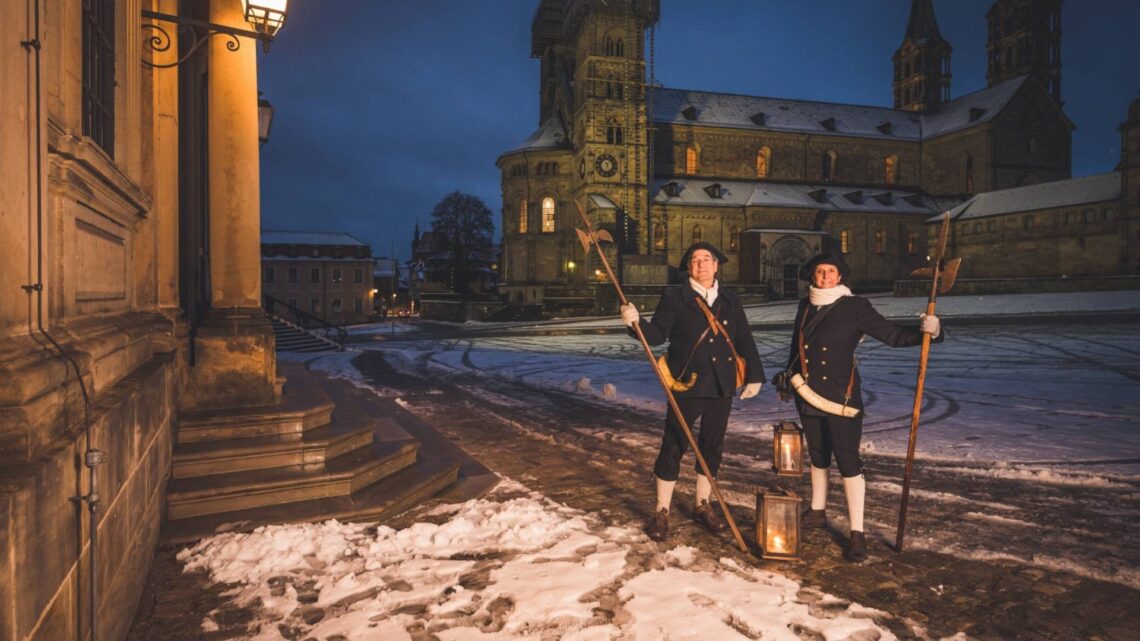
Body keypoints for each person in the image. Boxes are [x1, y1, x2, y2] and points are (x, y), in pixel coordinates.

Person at [784, 253, 941, 562]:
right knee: (817, 455)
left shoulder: (855, 307)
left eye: (831, 272)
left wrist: (930, 332)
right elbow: (796, 346)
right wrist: (787, 374)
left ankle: (857, 532)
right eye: (820, 271)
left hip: (841, 397)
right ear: (812, 276)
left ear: (840, 276)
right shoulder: (806, 305)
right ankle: (817, 511)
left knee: (847, 461)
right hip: (808, 393)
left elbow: (892, 335)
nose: (825, 277)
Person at [620, 241, 766, 542]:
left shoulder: (730, 298)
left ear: (716, 265)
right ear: (690, 267)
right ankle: (661, 511)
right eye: (695, 260)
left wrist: (755, 375)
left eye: (706, 259)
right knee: (674, 445)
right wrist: (635, 324)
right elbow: (658, 336)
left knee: (712, 446)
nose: (701, 264)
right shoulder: (675, 296)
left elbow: (744, 339)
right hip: (686, 385)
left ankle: (702, 505)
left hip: (722, 384)